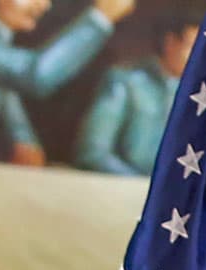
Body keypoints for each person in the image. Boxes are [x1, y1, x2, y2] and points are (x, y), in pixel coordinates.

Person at [0, 0, 132, 164]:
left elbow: (8, 96)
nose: (44, 5)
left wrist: (23, 139)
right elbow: (35, 75)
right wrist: (100, 19)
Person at [73, 7, 192, 175]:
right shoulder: (126, 81)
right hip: (125, 190)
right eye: (195, 48)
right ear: (170, 43)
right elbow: (94, 152)